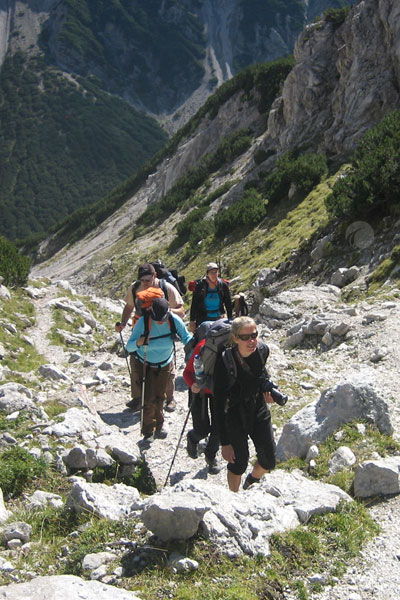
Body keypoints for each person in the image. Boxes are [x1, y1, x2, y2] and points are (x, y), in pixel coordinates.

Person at [213, 316, 276, 492]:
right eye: (245, 337)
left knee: (268, 460)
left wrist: (268, 391)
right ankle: (234, 498)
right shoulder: (225, 363)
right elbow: (217, 404)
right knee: (238, 463)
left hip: (258, 409)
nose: (251, 341)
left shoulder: (262, 350)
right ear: (235, 338)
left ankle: (251, 481)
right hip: (234, 414)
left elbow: (261, 375)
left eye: (254, 335)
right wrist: (224, 442)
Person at [116, 263, 185, 412]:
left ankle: (169, 398)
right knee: (136, 364)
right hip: (140, 331)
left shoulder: (167, 288)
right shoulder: (135, 288)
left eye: (148, 280)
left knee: (167, 367)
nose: (145, 284)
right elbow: (129, 307)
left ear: (155, 276)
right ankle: (137, 397)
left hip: (163, 332)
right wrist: (123, 323)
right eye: (142, 281)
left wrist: (163, 311)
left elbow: (181, 310)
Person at [125, 297, 192, 440]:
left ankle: (159, 426)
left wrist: (197, 351)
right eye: (157, 319)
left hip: (165, 364)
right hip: (145, 364)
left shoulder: (173, 320)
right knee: (148, 399)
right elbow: (129, 347)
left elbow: (187, 338)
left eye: (163, 318)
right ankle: (148, 431)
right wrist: (139, 342)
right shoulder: (143, 322)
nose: (160, 321)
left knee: (160, 397)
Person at [183, 335, 220, 475]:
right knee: (202, 429)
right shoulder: (202, 347)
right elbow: (187, 372)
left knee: (219, 428)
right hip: (199, 391)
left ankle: (211, 457)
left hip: (218, 391)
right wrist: (192, 385)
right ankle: (193, 438)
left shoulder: (232, 349)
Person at [189, 262, 232, 332]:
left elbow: (228, 303)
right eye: (212, 272)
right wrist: (192, 321)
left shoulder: (222, 285)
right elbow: (194, 304)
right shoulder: (200, 285)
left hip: (219, 318)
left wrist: (230, 319)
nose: (214, 275)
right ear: (207, 273)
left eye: (216, 272)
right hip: (203, 319)